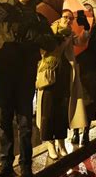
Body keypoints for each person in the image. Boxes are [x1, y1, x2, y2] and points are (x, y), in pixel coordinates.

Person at [0, 0, 57, 177]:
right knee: (4, 122)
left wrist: (34, 38)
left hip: (25, 76)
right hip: (2, 74)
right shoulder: (4, 13)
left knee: (25, 123)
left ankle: (26, 165)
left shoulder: (39, 19)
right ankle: (5, 164)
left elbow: (51, 43)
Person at [36, 9, 89, 159]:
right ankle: (50, 144)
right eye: (65, 17)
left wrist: (86, 28)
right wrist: (63, 39)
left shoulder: (70, 32)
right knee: (48, 110)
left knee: (62, 110)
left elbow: (81, 42)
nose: (68, 20)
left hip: (65, 75)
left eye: (70, 18)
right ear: (59, 19)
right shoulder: (50, 31)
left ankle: (61, 142)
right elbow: (47, 51)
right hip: (50, 75)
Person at [73, 3, 96, 145]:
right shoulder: (75, 27)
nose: (88, 12)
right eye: (85, 10)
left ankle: (85, 132)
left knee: (89, 102)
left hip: (91, 69)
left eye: (90, 10)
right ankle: (75, 131)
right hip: (77, 67)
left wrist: (88, 32)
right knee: (77, 100)